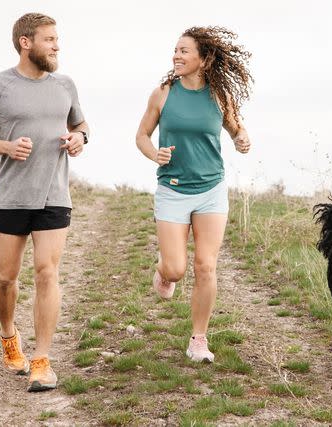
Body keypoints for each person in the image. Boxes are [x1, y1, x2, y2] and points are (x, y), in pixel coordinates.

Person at [0, 12, 89, 392]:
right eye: (50, 39)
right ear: (26, 42)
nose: (57, 46)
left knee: (47, 273)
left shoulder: (65, 84)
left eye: (56, 39)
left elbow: (81, 126)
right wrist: (5, 146)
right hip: (11, 196)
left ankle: (42, 361)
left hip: (54, 194)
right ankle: (8, 335)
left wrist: (80, 139)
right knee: (6, 278)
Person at [136, 26, 253, 362]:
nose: (177, 55)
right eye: (175, 50)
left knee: (206, 266)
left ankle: (198, 339)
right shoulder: (163, 93)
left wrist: (242, 138)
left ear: (204, 59)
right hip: (172, 190)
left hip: (211, 190)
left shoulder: (218, 96)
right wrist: (153, 154)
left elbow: (237, 127)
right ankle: (164, 272)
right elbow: (142, 136)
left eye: (184, 51)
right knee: (175, 269)